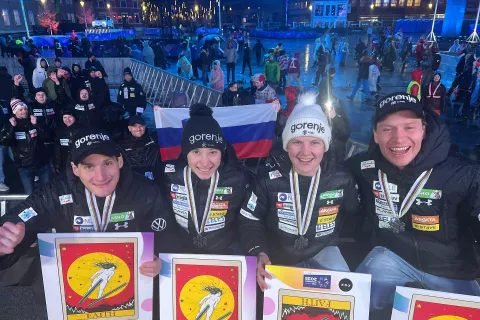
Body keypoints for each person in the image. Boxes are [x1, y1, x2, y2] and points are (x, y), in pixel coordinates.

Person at [347, 93, 480, 317]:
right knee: (353, 302)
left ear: (424, 130)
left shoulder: (464, 174)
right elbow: (324, 174)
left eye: (409, 127)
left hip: (452, 268)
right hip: (393, 256)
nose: (398, 139)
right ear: (376, 135)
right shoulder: (364, 166)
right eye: (388, 129)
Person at [0, 128, 175, 282]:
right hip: (73, 283)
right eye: (89, 167)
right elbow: (20, 218)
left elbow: (166, 234)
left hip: (130, 284)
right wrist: (5, 241)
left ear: (119, 162)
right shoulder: (56, 192)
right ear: (75, 169)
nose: (100, 177)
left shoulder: (145, 190)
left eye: (107, 163)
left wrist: (160, 259)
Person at [239, 93, 359, 292]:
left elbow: (353, 215)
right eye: (297, 142)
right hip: (278, 255)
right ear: (286, 145)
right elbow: (249, 219)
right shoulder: (267, 179)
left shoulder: (343, 179)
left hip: (324, 251)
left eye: (314, 142)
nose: (305, 152)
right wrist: (258, 251)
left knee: (343, 288)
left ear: (325, 146)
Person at [158, 103, 250, 254]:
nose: (205, 162)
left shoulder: (240, 178)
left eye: (212, 152)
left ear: (222, 151)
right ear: (185, 152)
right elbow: (161, 219)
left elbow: (247, 223)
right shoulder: (168, 175)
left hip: (224, 257)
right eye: (196, 152)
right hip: (181, 258)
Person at [0, 98, 50, 194]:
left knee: (46, 192)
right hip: (24, 166)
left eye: (25, 109)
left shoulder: (34, 120)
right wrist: (12, 127)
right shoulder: (10, 124)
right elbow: (3, 141)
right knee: (29, 194)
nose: (24, 111)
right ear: (15, 111)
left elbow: (46, 136)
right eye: (21, 110)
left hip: (41, 164)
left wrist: (36, 125)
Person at [54, 109, 84, 173]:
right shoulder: (60, 131)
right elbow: (57, 150)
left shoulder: (82, 130)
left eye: (70, 117)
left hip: (79, 162)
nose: (67, 120)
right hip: (65, 164)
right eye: (64, 117)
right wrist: (58, 165)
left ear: (74, 117)